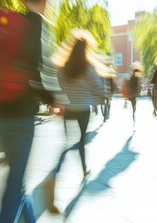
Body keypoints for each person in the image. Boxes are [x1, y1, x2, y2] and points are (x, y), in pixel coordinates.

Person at [0, 0, 56, 222]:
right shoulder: (34, 22)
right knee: (16, 178)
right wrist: (51, 99)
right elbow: (32, 70)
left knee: (18, 177)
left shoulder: (11, 23)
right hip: (20, 112)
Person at [46, 29, 109, 214]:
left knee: (67, 143)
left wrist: (63, 99)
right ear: (87, 49)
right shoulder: (89, 67)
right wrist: (97, 98)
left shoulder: (63, 67)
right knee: (81, 140)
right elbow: (99, 89)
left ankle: (55, 172)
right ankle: (83, 168)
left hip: (69, 109)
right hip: (83, 110)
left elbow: (59, 86)